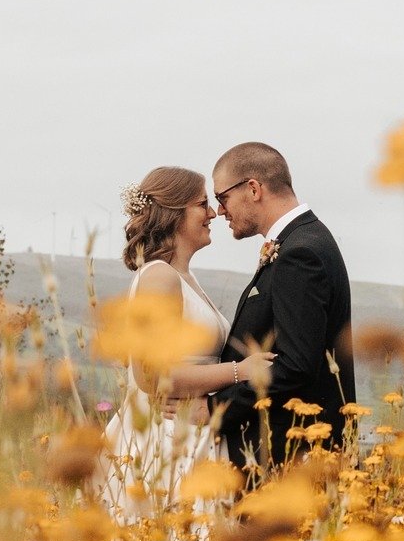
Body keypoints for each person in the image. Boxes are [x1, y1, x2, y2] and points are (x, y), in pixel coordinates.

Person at [101, 165, 273, 512]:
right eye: (202, 204)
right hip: (163, 436)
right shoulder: (159, 278)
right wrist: (240, 371)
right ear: (174, 213)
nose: (213, 213)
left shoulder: (183, 277)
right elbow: (151, 376)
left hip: (190, 430)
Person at [206, 142, 355, 468]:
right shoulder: (303, 240)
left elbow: (295, 366)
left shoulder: (299, 252)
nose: (219, 212)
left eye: (222, 198)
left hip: (292, 459)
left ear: (253, 189)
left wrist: (215, 411)